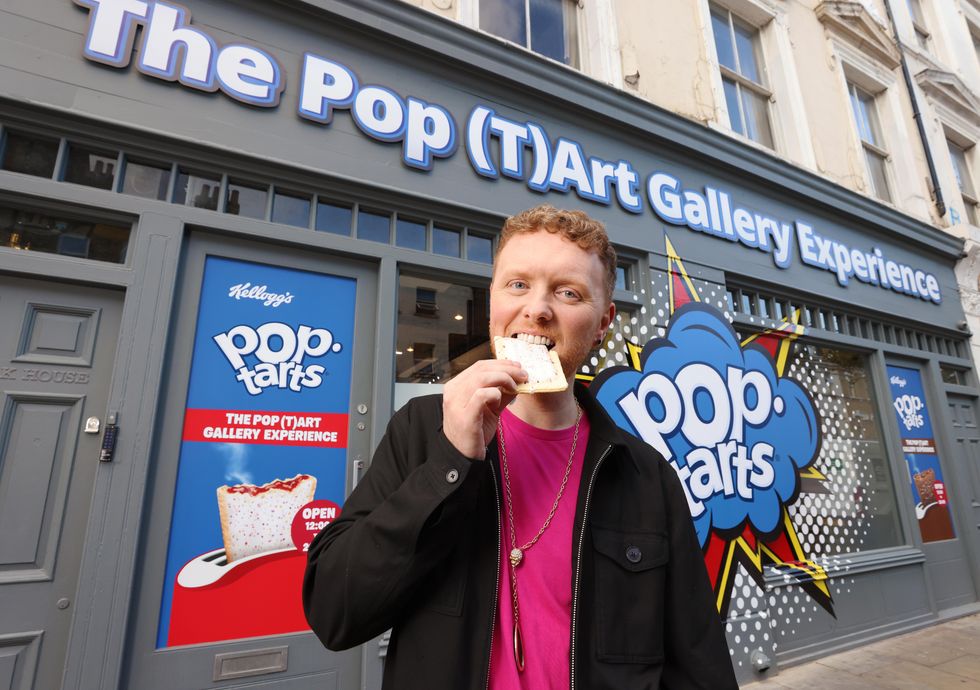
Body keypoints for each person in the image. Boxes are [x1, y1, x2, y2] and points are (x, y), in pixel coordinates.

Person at [303, 205, 737, 689]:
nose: (537, 309)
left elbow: (699, 662)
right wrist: (451, 460)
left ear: (603, 323)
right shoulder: (421, 431)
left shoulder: (645, 475)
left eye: (568, 292)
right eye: (517, 285)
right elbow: (334, 613)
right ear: (492, 301)